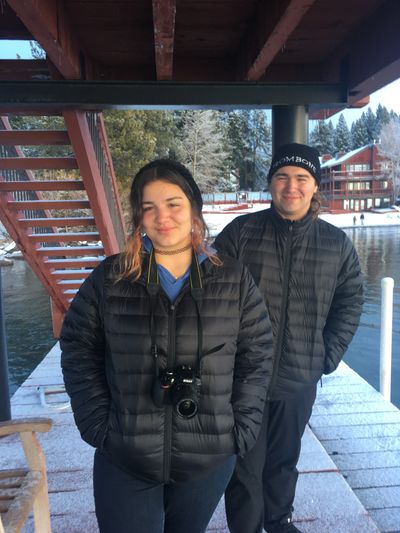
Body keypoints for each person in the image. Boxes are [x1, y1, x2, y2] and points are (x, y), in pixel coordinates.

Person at [60, 159, 274, 533]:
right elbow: (78, 347)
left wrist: (238, 430)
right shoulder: (110, 279)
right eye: (149, 207)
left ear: (193, 207)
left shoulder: (233, 280)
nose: (163, 217)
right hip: (125, 457)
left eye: (173, 203)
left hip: (207, 457)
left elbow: (257, 354)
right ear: (138, 217)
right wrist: (98, 425)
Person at [214, 143, 364, 533]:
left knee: (284, 460)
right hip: (243, 377)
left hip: (300, 376)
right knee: (244, 461)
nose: (291, 186)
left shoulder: (336, 245)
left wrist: (326, 355)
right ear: (270, 184)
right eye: (282, 177)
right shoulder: (240, 234)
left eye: (302, 178)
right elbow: (209, 298)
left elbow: (350, 301)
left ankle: (278, 523)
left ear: (315, 186)